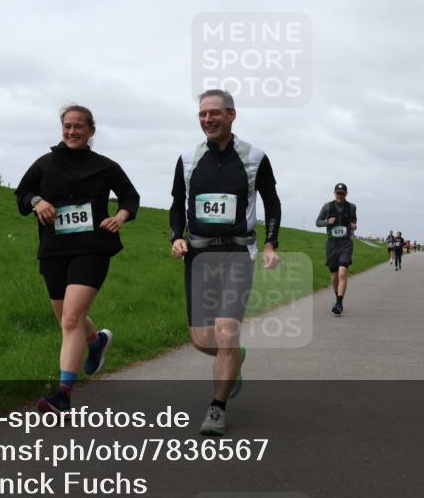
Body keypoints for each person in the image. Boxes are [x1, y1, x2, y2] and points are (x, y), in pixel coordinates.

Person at [15, 105, 140, 415]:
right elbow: (22, 193)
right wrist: (37, 200)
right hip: (54, 249)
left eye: (78, 127)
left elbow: (130, 197)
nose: (72, 132)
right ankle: (95, 342)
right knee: (67, 318)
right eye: (67, 126)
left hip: (92, 247)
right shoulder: (45, 164)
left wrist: (120, 217)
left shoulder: (105, 167)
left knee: (70, 319)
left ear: (90, 131)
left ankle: (62, 396)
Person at [170, 89, 281, 436]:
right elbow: (177, 205)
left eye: (214, 113)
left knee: (226, 330)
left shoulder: (254, 157)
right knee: (203, 339)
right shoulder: (188, 159)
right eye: (202, 114)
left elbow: (272, 203)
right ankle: (234, 356)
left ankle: (217, 407)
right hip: (199, 255)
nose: (207, 120)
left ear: (232, 115)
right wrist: (176, 235)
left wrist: (271, 244)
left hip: (236, 253)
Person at [315, 184, 357, 316]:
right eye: (338, 193)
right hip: (332, 244)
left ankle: (339, 303)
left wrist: (354, 226)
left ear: (346, 194)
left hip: (345, 243)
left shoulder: (351, 207)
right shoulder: (327, 206)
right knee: (334, 275)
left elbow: (354, 220)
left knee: (342, 273)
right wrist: (327, 221)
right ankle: (337, 296)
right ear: (334, 193)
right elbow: (317, 222)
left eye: (342, 193)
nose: (340, 195)